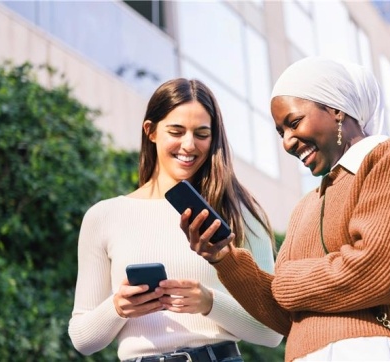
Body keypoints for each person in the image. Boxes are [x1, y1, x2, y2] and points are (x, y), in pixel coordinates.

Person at [182, 56, 390, 362]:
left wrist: (286, 280)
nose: (288, 142)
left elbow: (377, 273)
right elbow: (286, 316)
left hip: (369, 350)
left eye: (293, 123)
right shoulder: (305, 207)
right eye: (281, 133)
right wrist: (224, 259)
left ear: (335, 109)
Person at [68, 78, 283, 362]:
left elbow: (272, 331)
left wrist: (208, 302)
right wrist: (118, 307)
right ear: (151, 131)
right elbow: (82, 339)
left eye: (202, 134)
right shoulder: (104, 216)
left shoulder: (240, 212)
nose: (189, 145)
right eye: (176, 131)